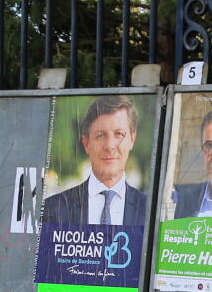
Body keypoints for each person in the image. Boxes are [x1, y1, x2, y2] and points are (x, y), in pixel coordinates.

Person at [41, 95, 148, 227]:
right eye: (100, 135)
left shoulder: (150, 211)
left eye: (119, 134)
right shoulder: (53, 209)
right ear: (86, 144)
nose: (110, 146)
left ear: (132, 139)